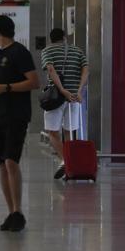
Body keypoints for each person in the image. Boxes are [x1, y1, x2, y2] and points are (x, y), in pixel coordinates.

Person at [0, 15, 40, 232]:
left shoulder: (20, 52)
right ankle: (10, 213)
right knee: (0, 162)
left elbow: (34, 82)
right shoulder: (0, 54)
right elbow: (6, 79)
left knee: (11, 161)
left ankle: (18, 211)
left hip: (16, 116)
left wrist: (5, 87)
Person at [40, 28, 89, 179]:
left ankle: (67, 162)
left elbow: (50, 69)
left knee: (52, 132)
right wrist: (79, 90)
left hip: (56, 97)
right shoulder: (77, 51)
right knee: (69, 133)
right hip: (74, 97)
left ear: (51, 39)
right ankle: (69, 163)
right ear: (64, 38)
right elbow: (86, 69)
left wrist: (62, 90)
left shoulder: (47, 50)